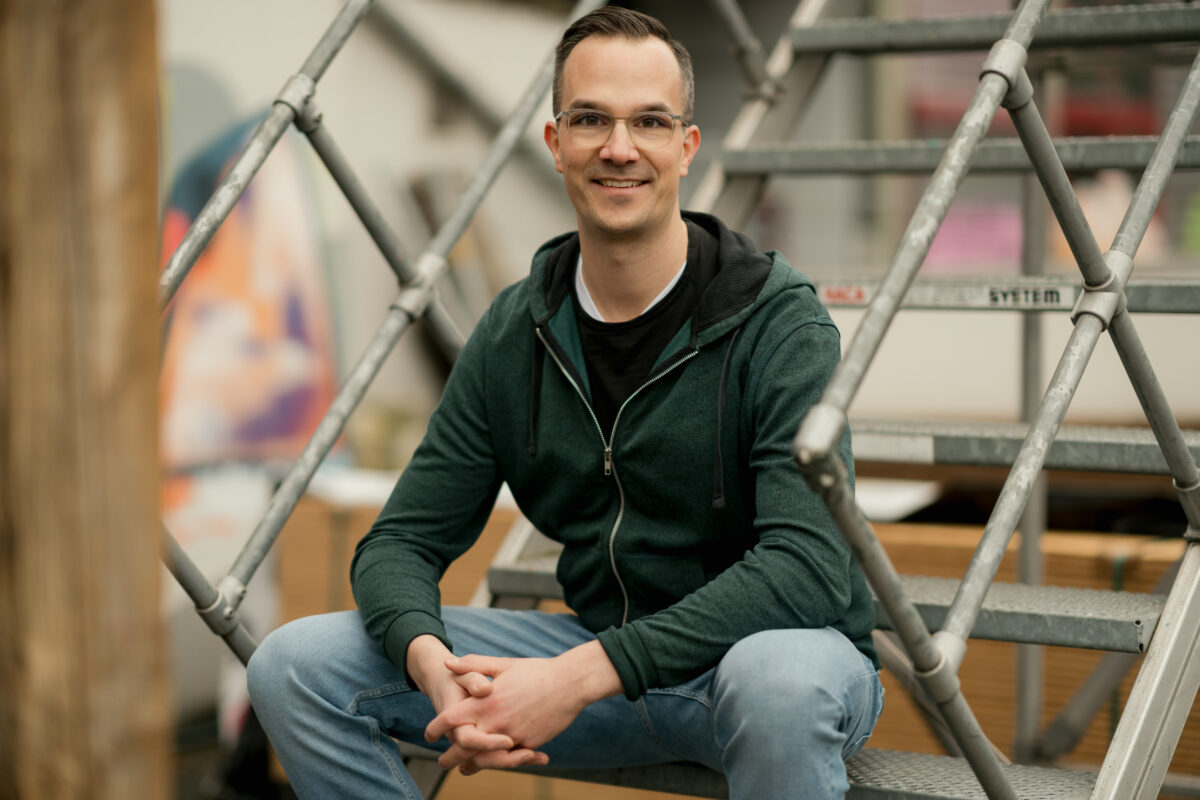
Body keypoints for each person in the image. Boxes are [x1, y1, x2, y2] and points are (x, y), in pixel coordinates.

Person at [247, 7, 883, 799]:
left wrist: (578, 676)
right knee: (294, 665)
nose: (619, 148)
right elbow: (400, 541)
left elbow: (806, 568)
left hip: (765, 664)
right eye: (590, 120)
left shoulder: (778, 323)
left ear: (687, 148)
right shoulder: (517, 331)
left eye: (649, 122)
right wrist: (430, 663)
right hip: (603, 661)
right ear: (555, 144)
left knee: (777, 682)